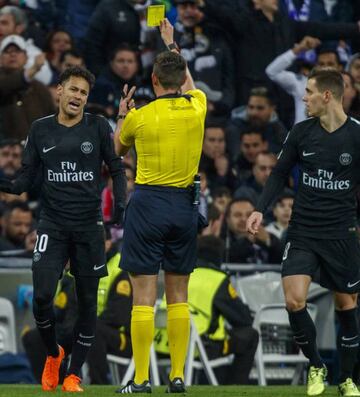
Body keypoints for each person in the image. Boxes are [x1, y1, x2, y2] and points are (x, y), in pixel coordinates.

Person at [0, 66, 127, 392]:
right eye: (73, 90)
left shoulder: (97, 126)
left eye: (84, 93)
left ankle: (72, 373)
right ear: (59, 91)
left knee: (87, 303)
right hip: (52, 225)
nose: (78, 97)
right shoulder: (40, 129)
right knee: (43, 296)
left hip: (88, 227)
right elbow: (23, 182)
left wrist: (122, 206)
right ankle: (53, 353)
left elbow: (116, 167)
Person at [246, 68, 360, 397]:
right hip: (304, 230)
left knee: (346, 306)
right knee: (294, 300)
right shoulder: (300, 132)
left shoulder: (356, 136)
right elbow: (279, 173)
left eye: (309, 91)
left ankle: (348, 378)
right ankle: (315, 364)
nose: (303, 97)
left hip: (341, 233)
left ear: (327, 95)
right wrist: (259, 209)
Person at [113, 18, 206, 394]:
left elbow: (117, 149)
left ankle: (139, 380)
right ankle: (178, 375)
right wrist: (171, 44)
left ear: (153, 82)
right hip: (184, 207)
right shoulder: (197, 106)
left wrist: (122, 112)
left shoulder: (140, 117)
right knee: (179, 294)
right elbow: (189, 83)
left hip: (148, 204)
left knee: (143, 298)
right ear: (181, 78)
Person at [154, 235, 259, 385]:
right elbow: (243, 319)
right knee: (250, 336)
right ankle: (234, 389)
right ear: (219, 256)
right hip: (198, 348)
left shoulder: (178, 275)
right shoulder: (216, 279)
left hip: (160, 346)